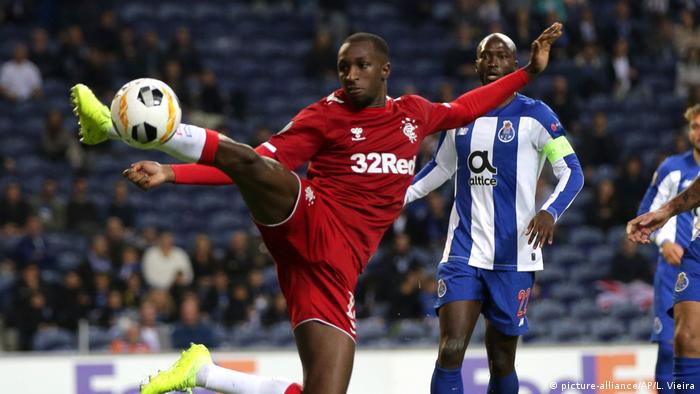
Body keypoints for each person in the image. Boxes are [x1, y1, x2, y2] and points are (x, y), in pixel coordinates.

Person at [71, 24, 562, 394]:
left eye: (360, 66)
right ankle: (122, 128)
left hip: (335, 272)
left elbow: (469, 106)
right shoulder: (325, 115)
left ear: (384, 70)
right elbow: (256, 163)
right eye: (344, 67)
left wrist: (528, 73)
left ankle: (202, 371)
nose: (349, 75)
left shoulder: (414, 114)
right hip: (308, 219)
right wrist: (173, 172)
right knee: (261, 165)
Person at [403, 32, 583, 394]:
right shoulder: (459, 115)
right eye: (486, 56)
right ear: (476, 65)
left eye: (502, 56)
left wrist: (549, 212)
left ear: (515, 66)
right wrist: (394, 197)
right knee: (451, 349)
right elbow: (440, 168)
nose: (493, 63)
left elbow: (572, 171)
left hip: (514, 254)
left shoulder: (537, 115)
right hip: (463, 251)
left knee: (501, 360)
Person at [628, 105, 700, 393]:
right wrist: (665, 242)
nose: (699, 132)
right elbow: (647, 211)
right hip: (675, 268)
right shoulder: (672, 168)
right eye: (694, 126)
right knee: (672, 346)